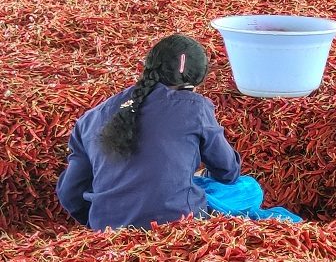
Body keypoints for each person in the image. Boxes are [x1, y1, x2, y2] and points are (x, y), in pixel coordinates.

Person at [57, 34, 242, 230]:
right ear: (194, 83)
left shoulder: (90, 119)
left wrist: (101, 221)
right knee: (248, 189)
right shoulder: (194, 108)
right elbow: (228, 171)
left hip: (107, 228)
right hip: (177, 226)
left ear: (149, 67)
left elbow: (69, 193)